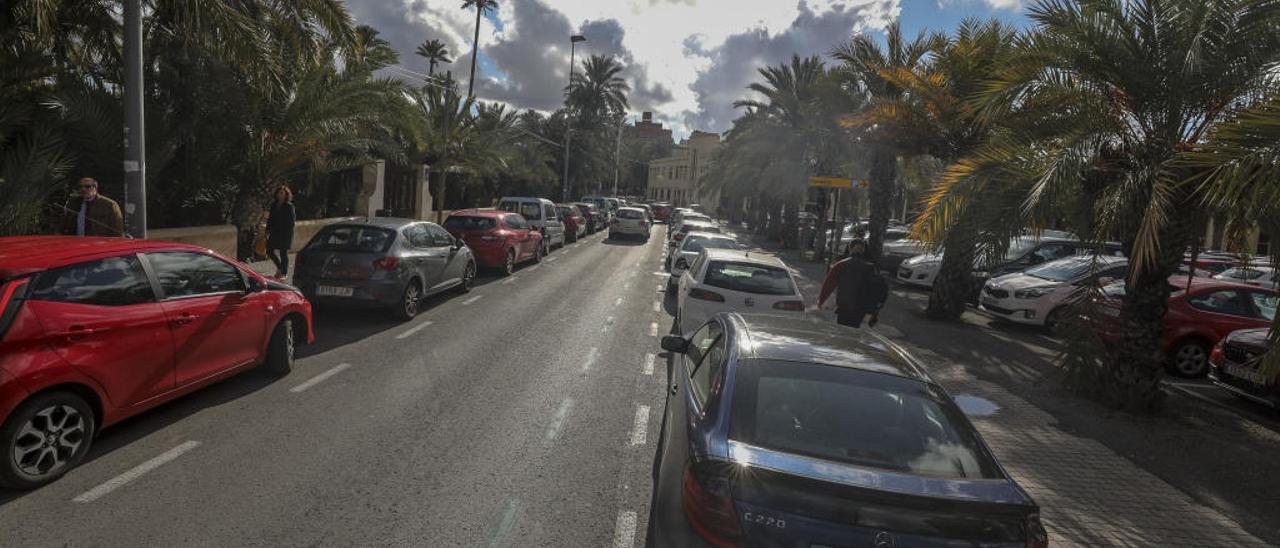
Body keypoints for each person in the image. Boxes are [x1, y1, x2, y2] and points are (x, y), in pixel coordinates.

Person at [818, 239, 889, 328]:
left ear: (849, 248)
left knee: (843, 329)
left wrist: (821, 301)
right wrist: (874, 310)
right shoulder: (870, 267)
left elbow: (828, 285)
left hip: (844, 306)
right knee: (855, 328)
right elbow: (877, 288)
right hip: (861, 307)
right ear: (863, 250)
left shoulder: (840, 265)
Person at [265, 185, 296, 279]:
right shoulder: (274, 205)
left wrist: (286, 231)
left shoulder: (289, 206)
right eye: (279, 192)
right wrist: (268, 230)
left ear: (286, 194)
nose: (280, 194)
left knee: (283, 253)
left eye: (282, 193)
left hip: (285, 233)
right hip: (275, 232)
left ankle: (284, 273)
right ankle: (279, 267)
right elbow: (270, 218)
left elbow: (291, 221)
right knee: (269, 250)